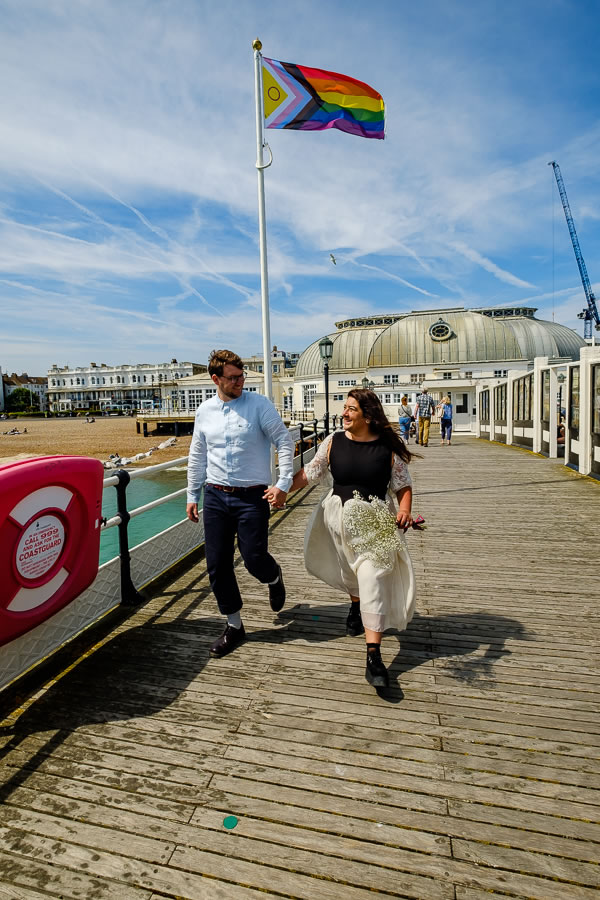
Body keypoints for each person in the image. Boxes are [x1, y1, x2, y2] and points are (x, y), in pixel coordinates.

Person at [267, 389, 416, 690]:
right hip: (338, 522)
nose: (344, 414)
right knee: (351, 573)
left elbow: (403, 485)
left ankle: (373, 655)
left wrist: (404, 510)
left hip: (376, 526)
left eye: (351, 409)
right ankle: (356, 604)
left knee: (373, 577)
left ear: (368, 416)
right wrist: (281, 490)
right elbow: (310, 473)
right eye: (344, 408)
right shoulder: (333, 442)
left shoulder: (387, 449)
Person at [186, 349, 294, 659]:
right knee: (217, 563)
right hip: (215, 495)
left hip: (252, 496)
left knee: (253, 558)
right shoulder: (204, 411)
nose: (239, 382)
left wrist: (283, 484)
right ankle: (234, 625)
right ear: (215, 379)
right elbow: (197, 454)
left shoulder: (259, 405)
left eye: (241, 376)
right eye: (233, 378)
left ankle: (273, 577)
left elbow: (284, 441)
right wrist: (192, 494)